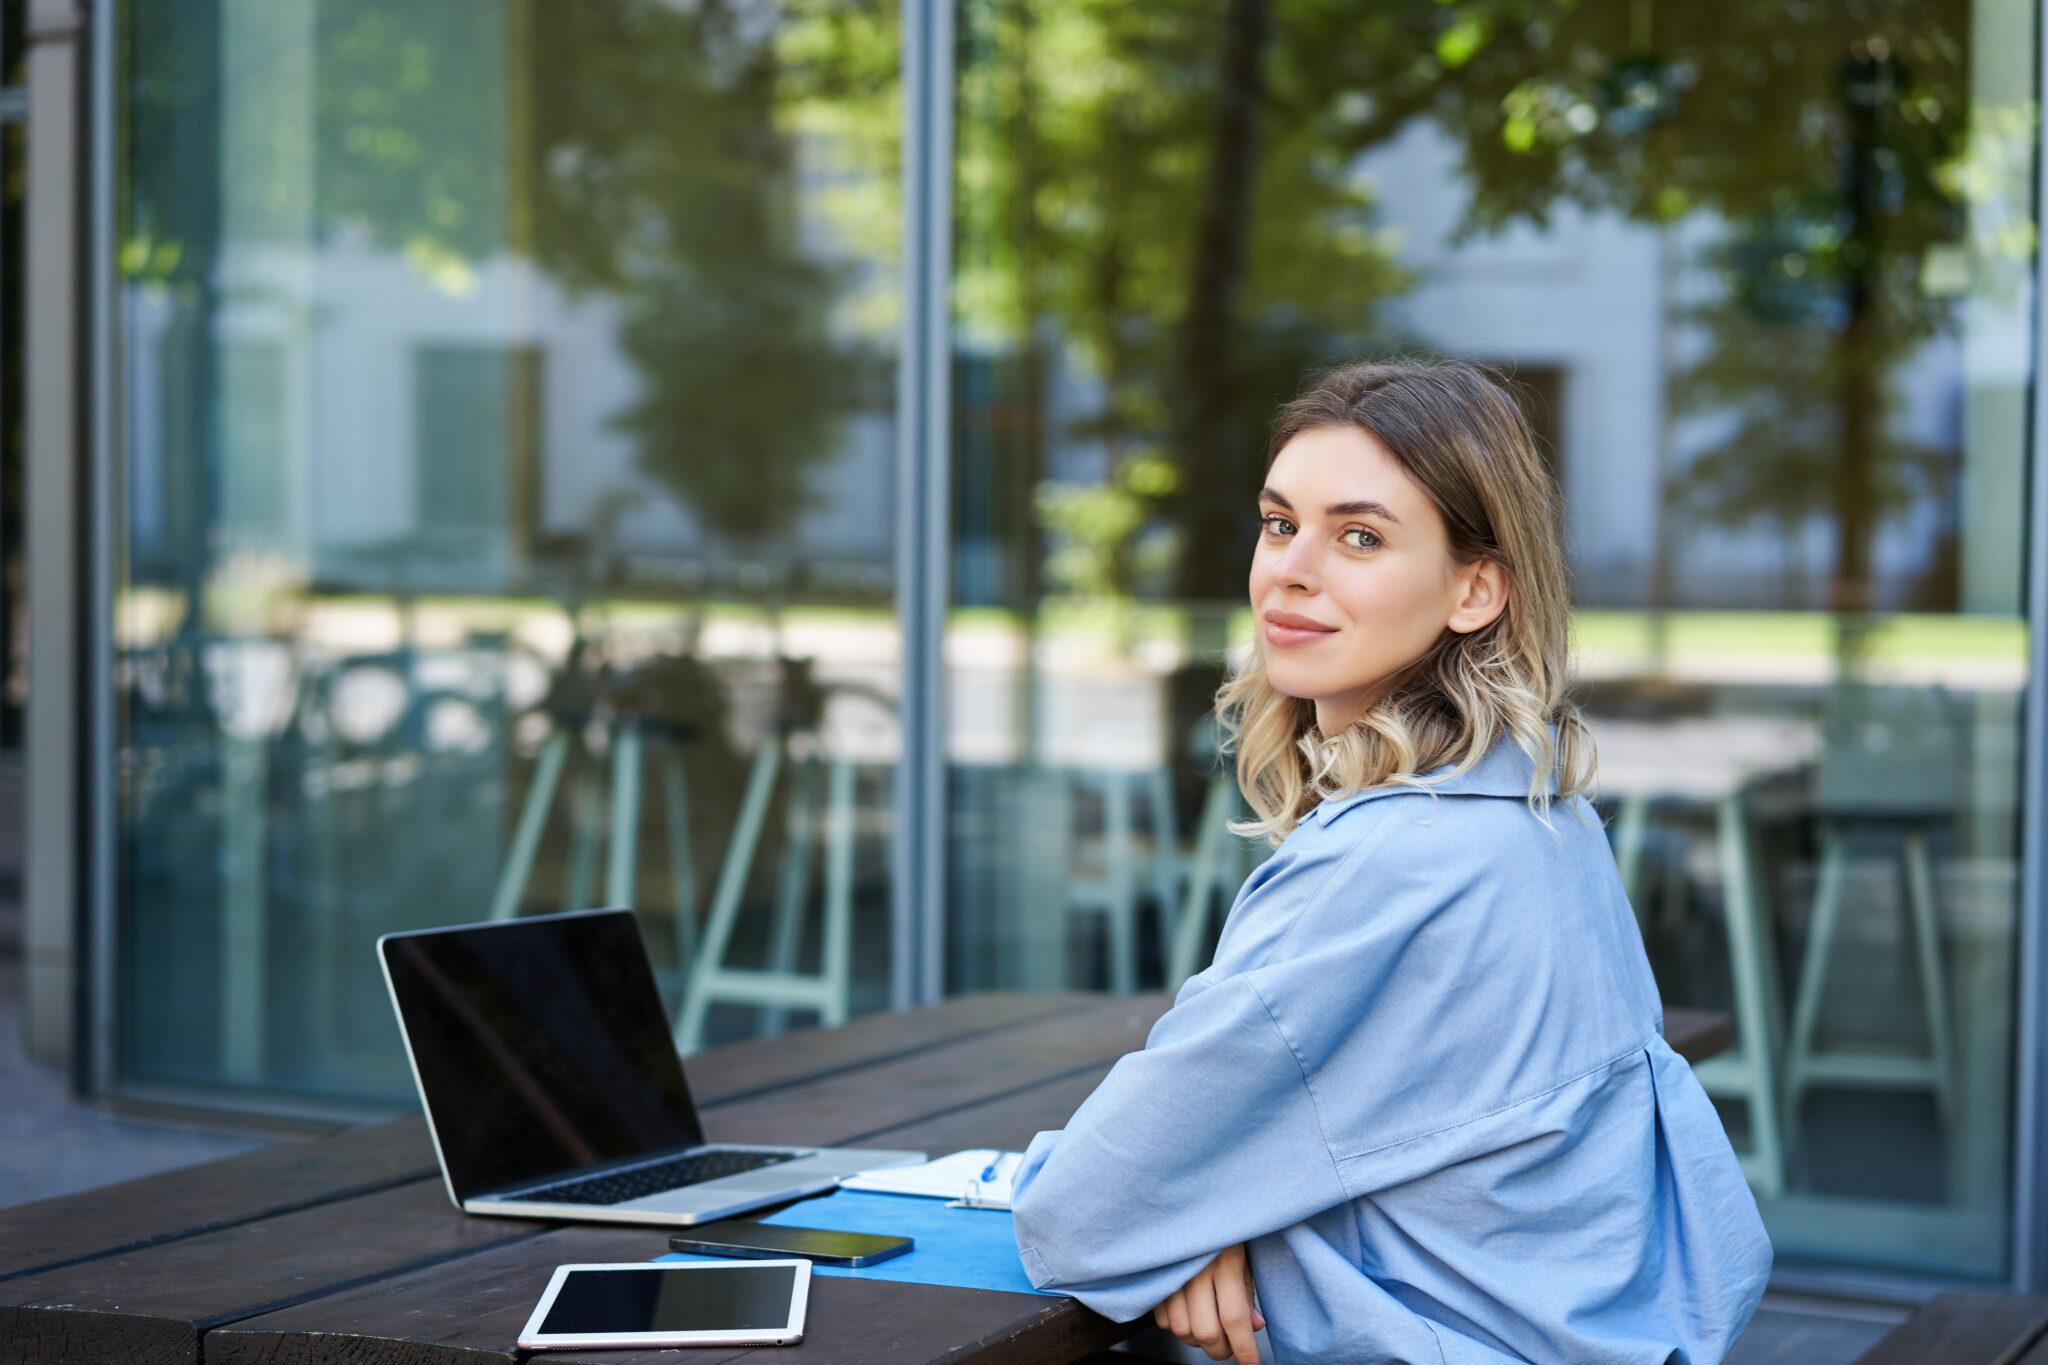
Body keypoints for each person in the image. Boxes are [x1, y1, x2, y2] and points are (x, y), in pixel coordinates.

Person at [1009, 358, 1772, 1364]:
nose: (1290, 568)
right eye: (1279, 523)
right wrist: (1195, 1213)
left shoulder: (1384, 864)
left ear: (1474, 590)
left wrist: (1189, 1220)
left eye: (1358, 537)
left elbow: (1077, 1215)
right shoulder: (1538, 813)